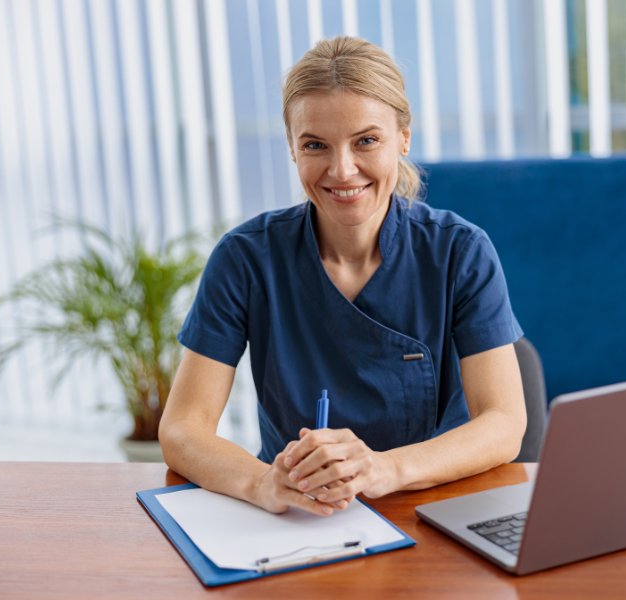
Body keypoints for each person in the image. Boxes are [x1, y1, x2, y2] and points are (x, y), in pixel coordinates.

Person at [159, 36, 526, 517]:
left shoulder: (460, 252)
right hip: (301, 518)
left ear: (404, 136)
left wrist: (382, 469)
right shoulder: (245, 259)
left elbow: (504, 423)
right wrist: (261, 482)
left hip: (435, 506)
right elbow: (183, 428)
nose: (342, 169)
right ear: (293, 148)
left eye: (366, 140)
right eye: (315, 145)